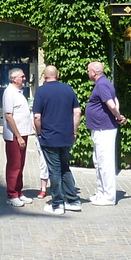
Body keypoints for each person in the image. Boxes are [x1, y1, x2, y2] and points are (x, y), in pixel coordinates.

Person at [32, 65, 83, 216]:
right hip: (66, 136)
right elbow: (77, 111)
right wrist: (74, 131)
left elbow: (37, 117)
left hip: (49, 136)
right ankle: (73, 200)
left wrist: (39, 133)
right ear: (58, 75)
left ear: (44, 76)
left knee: (54, 170)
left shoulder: (41, 91)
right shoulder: (68, 89)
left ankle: (57, 204)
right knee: (65, 167)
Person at [85, 61, 126, 205]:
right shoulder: (105, 83)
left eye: (88, 70)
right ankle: (101, 193)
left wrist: (118, 116)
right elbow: (115, 100)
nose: (87, 73)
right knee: (99, 162)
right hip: (100, 129)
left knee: (105, 163)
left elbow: (111, 103)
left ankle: (108, 197)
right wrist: (117, 115)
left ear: (94, 73)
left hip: (104, 130)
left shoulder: (101, 84)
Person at [2, 67, 35, 207]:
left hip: (23, 134)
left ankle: (19, 191)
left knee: (20, 164)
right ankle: (12, 194)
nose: (24, 78)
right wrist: (18, 136)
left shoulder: (18, 92)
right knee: (14, 165)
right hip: (14, 136)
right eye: (22, 76)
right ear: (14, 78)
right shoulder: (9, 92)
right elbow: (9, 116)